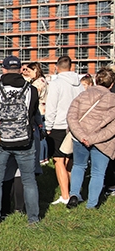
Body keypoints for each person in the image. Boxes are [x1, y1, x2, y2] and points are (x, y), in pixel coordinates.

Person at [0, 55, 41, 226]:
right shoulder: (31, 90)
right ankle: (33, 219)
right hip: (25, 139)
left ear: (3, 69)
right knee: (29, 180)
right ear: (21, 69)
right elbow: (32, 112)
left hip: (1, 139)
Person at [65, 68, 115, 210]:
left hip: (80, 137)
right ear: (112, 84)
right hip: (102, 141)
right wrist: (93, 138)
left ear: (96, 80)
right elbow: (112, 128)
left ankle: (74, 194)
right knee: (98, 172)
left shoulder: (82, 95)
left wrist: (81, 135)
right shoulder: (113, 99)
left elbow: (71, 116)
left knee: (79, 166)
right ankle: (91, 205)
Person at [45, 55, 83, 205]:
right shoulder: (79, 84)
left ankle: (65, 195)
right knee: (71, 160)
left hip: (59, 125)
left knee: (58, 160)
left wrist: (48, 126)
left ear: (56, 67)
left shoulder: (56, 84)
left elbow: (51, 106)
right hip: (76, 125)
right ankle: (75, 192)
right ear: (71, 67)